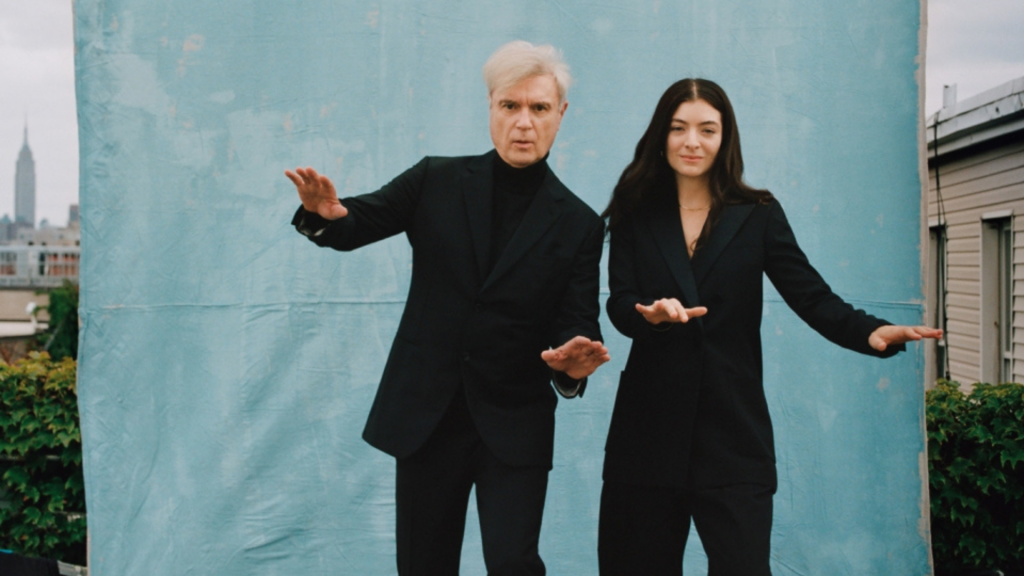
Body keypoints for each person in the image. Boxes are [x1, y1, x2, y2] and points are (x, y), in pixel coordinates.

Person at [285, 40, 610, 576]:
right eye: (510, 106)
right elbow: (356, 221)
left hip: (514, 421)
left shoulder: (578, 223)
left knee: (514, 563)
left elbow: (576, 321)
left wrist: (572, 368)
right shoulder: (435, 179)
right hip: (427, 415)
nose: (523, 122)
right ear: (490, 107)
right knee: (423, 565)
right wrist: (327, 216)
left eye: (539, 108)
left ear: (561, 115)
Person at [597, 78, 942, 576]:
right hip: (647, 434)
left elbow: (811, 295)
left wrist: (872, 332)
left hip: (733, 436)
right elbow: (619, 303)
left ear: (725, 137)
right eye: (678, 128)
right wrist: (646, 316)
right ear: (660, 135)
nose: (692, 142)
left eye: (707, 129)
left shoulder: (756, 214)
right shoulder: (633, 212)